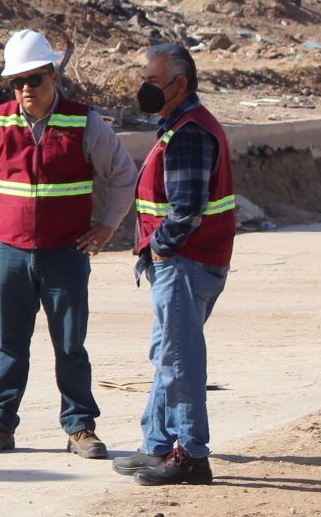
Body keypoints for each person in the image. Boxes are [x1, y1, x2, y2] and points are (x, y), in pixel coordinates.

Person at [0, 29, 137, 460]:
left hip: (64, 256)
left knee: (70, 344)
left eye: (33, 80)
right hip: (11, 255)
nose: (24, 90)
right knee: (10, 342)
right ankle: (0, 423)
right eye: (17, 82)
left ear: (53, 77)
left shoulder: (84, 122)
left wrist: (108, 225)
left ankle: (80, 428)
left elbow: (124, 175)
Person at [112, 42, 236, 486]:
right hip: (186, 261)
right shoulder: (179, 124)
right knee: (166, 354)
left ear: (179, 84)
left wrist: (160, 247)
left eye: (151, 80)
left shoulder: (188, 134)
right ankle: (158, 444)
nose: (144, 87)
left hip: (186, 262)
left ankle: (190, 454)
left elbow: (187, 208)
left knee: (180, 360)